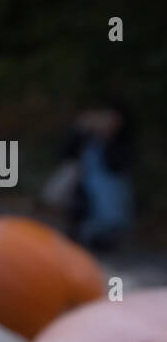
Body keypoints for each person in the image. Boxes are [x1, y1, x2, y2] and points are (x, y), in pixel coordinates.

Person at [57, 101, 135, 251]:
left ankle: (104, 235)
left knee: (110, 198)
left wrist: (108, 138)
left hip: (109, 192)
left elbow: (117, 164)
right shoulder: (86, 138)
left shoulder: (121, 140)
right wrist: (78, 130)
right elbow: (65, 155)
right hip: (83, 189)